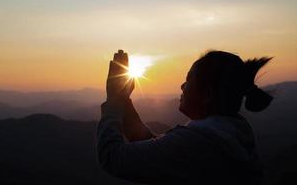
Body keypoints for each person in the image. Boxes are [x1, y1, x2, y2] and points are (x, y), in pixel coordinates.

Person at [96, 49, 273, 185]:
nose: (182, 86)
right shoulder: (232, 134)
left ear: (207, 94)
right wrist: (123, 99)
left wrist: (113, 99)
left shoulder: (199, 143)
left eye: (188, 80)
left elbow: (112, 157)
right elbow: (153, 145)